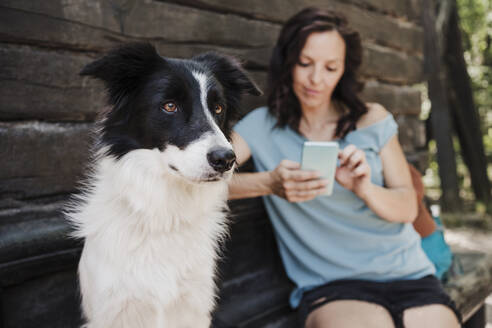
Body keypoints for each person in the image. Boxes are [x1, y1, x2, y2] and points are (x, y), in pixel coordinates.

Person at [228, 7, 461, 328]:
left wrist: (363, 187)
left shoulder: (373, 119)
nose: (316, 79)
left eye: (330, 68)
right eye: (305, 64)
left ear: (343, 71)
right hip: (333, 285)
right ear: (287, 61)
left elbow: (408, 208)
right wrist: (268, 183)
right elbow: (204, 179)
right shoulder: (260, 127)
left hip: (408, 273)